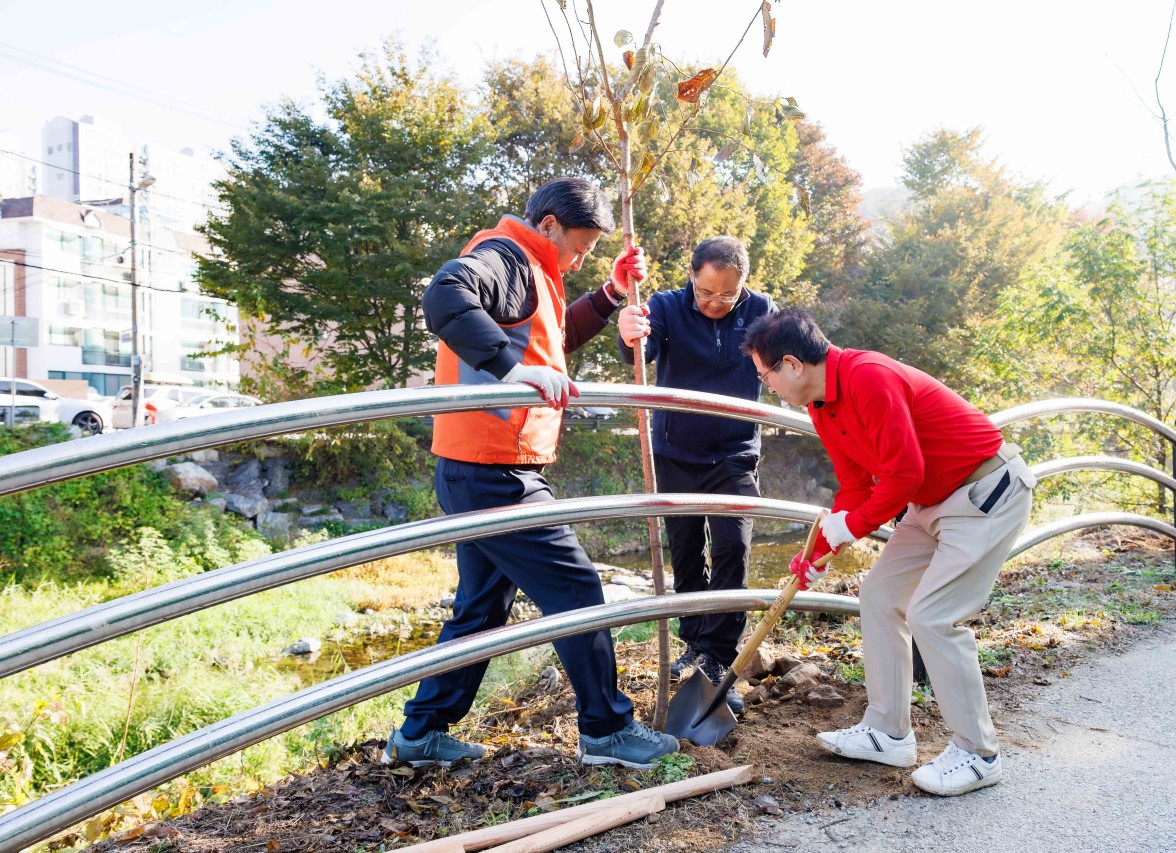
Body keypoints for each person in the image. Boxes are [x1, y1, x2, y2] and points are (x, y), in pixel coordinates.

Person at [383, 177, 679, 770]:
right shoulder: (504, 255)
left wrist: (611, 293)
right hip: (496, 473)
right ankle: (606, 730)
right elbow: (444, 298)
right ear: (548, 225)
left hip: (482, 466)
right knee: (577, 590)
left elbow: (554, 342)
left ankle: (420, 734)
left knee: (480, 609)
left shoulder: (535, 271)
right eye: (579, 247)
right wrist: (509, 368)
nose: (579, 258)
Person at [740, 308, 1036, 796]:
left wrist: (849, 528)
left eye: (765, 373)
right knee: (878, 595)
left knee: (933, 616)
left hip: (983, 494)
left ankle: (979, 755)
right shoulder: (821, 404)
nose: (765, 384)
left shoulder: (867, 377)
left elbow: (904, 474)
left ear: (792, 364)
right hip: (928, 501)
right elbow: (855, 486)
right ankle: (887, 733)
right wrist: (817, 551)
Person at [616, 236, 776, 716]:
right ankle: (693, 639)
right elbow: (639, 355)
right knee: (686, 552)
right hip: (676, 452)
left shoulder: (762, 309)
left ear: (742, 287)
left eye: (725, 296)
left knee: (734, 548)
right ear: (691, 277)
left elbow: (784, 361)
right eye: (705, 292)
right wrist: (629, 332)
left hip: (734, 453)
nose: (713, 303)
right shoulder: (664, 306)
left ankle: (719, 660)